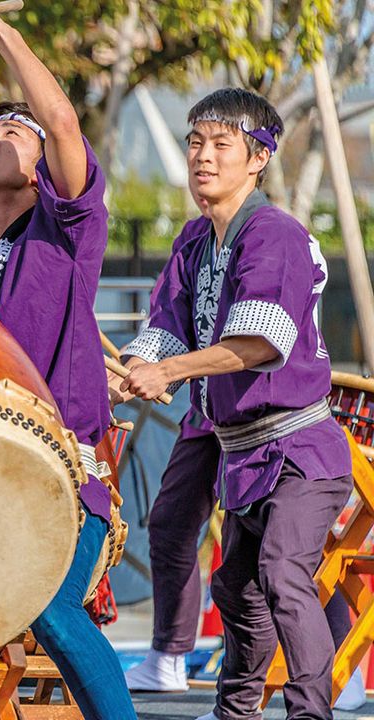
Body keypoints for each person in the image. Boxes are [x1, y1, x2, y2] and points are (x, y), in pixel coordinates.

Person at [119, 87, 353, 720]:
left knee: (282, 572)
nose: (203, 156)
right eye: (195, 142)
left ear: (258, 159)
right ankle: (236, 709)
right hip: (240, 450)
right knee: (235, 586)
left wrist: (168, 369)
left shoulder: (273, 232)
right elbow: (166, 326)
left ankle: (312, 712)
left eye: (222, 144)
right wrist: (139, 367)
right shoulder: (196, 240)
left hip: (301, 448)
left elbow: (257, 342)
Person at [0, 3, 134, 717]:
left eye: (13, 132)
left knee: (47, 605)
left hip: (59, 476)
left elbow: (67, 125)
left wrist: (4, 39)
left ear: (44, 162)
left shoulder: (66, 233)